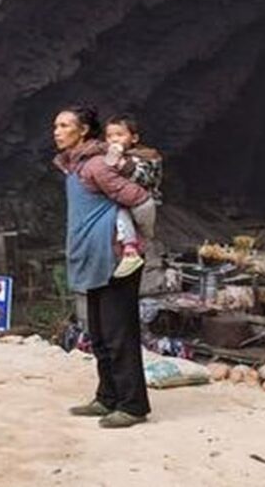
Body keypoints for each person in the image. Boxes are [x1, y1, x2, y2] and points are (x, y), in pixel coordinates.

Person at [53, 104, 153, 428]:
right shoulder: (74, 167)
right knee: (98, 333)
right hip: (92, 259)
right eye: (56, 125)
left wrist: (140, 240)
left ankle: (133, 405)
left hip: (115, 260)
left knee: (118, 333)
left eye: (65, 125)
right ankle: (107, 397)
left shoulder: (96, 165)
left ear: (83, 131)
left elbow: (140, 199)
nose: (57, 131)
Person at [102, 114, 162, 279]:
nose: (114, 139)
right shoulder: (108, 155)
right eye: (109, 136)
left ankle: (140, 245)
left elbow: (145, 178)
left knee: (143, 230)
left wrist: (123, 164)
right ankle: (130, 250)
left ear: (134, 138)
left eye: (119, 135)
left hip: (144, 202)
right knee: (119, 211)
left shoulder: (148, 155)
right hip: (123, 203)